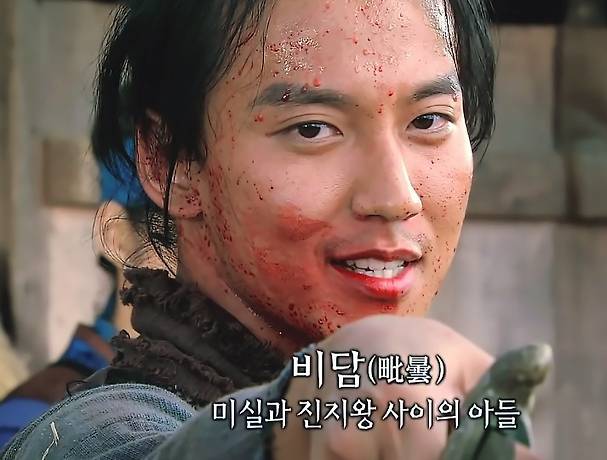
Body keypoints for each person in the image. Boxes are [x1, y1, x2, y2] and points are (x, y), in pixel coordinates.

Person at [1, 0, 541, 458]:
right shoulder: (88, 432)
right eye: (312, 129)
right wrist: (295, 424)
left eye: (429, 120)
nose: (396, 197)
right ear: (170, 162)